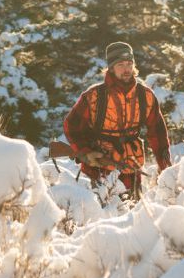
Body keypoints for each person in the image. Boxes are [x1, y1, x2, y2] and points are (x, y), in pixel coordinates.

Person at [63, 41, 171, 196]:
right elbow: (71, 126)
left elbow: (158, 134)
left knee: (134, 214)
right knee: (101, 215)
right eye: (120, 64)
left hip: (132, 170)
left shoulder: (145, 96)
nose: (126, 69)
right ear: (111, 68)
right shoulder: (94, 96)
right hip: (99, 169)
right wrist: (86, 152)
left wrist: (165, 168)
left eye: (129, 64)